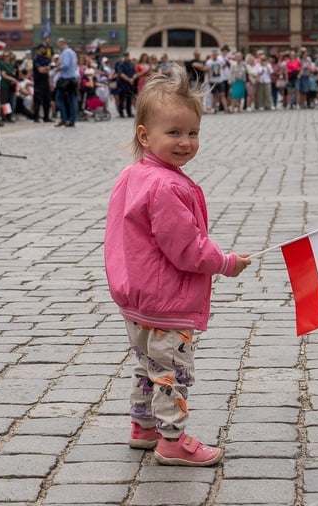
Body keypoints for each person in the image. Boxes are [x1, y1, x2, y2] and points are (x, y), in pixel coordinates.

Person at [104, 68, 251, 467]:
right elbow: (186, 248)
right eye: (174, 133)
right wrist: (224, 262)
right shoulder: (167, 186)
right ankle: (171, 440)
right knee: (172, 370)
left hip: (136, 297)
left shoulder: (133, 175)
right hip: (166, 299)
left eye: (192, 133)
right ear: (144, 135)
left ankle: (144, 427)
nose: (185, 142)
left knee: (148, 364)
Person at [55, 37, 79, 127]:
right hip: (72, 78)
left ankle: (65, 118)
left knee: (59, 98)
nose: (58, 47)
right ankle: (70, 119)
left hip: (66, 79)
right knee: (71, 99)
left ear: (62, 43)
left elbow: (66, 65)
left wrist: (57, 68)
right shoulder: (72, 52)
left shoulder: (66, 52)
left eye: (58, 45)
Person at [32, 43, 54, 122]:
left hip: (45, 81)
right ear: (39, 49)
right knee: (38, 100)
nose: (44, 50)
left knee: (47, 100)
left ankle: (46, 117)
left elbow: (51, 67)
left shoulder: (46, 58)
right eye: (43, 48)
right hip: (38, 81)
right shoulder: (36, 58)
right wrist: (46, 68)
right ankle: (36, 117)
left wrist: (46, 69)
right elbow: (40, 70)